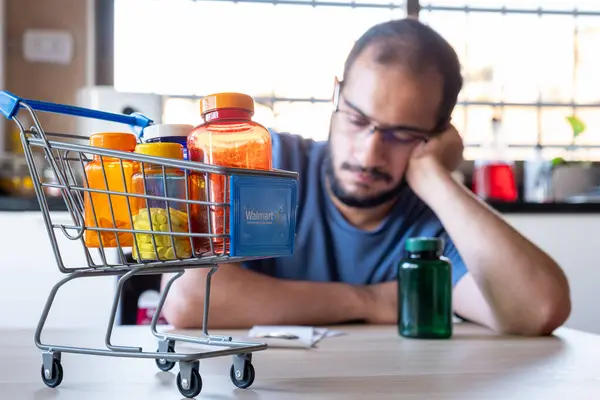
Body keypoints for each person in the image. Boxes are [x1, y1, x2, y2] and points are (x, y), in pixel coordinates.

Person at [162, 18, 571, 336]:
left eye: (402, 134)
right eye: (357, 119)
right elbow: (188, 299)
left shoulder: (432, 221)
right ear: (336, 95)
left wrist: (435, 178)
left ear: (437, 133)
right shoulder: (264, 161)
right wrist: (372, 301)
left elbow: (536, 310)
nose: (369, 153)